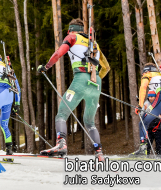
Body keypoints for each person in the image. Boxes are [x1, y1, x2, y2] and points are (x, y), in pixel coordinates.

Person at [37, 19, 110, 160]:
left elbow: (59, 53)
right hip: (96, 83)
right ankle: (99, 153)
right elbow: (106, 67)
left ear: (71, 30)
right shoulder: (93, 43)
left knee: (62, 114)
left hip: (80, 79)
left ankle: (61, 144)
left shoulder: (71, 37)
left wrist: (46, 67)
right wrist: (94, 80)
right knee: (89, 122)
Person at [140, 91, 161, 156]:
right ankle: (146, 158)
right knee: (147, 146)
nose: (150, 98)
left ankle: (160, 159)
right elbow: (142, 114)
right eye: (149, 97)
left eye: (152, 97)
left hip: (159, 129)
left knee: (159, 146)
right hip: (149, 128)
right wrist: (140, 111)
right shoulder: (146, 103)